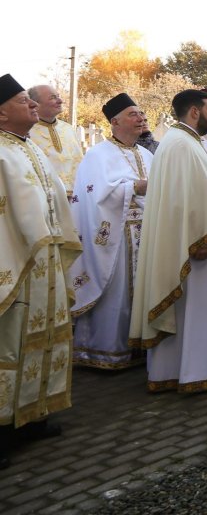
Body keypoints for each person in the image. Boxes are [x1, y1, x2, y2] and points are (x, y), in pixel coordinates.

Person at [129, 89, 207, 393]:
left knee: (189, 311)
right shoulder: (182, 145)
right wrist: (200, 239)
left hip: (186, 240)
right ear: (194, 112)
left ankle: (180, 370)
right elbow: (186, 199)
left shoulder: (181, 141)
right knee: (195, 310)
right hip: (193, 245)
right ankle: (195, 371)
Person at [0, 75, 80, 469]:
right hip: (14, 263)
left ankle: (32, 416)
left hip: (44, 262)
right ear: (1, 113)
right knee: (9, 345)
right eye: (22, 100)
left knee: (43, 338)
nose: (32, 104)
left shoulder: (29, 146)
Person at [68, 93, 153, 369]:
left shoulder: (147, 154)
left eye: (141, 113)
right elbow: (94, 196)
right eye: (133, 114)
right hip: (115, 237)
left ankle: (141, 349)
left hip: (146, 232)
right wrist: (134, 187)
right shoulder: (97, 155)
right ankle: (105, 352)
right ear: (115, 122)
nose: (140, 118)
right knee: (116, 294)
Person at [27, 84, 85, 197]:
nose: (60, 100)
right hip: (45, 198)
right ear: (35, 104)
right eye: (53, 97)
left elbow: (79, 162)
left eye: (58, 96)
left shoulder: (68, 129)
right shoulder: (27, 131)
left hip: (76, 197)